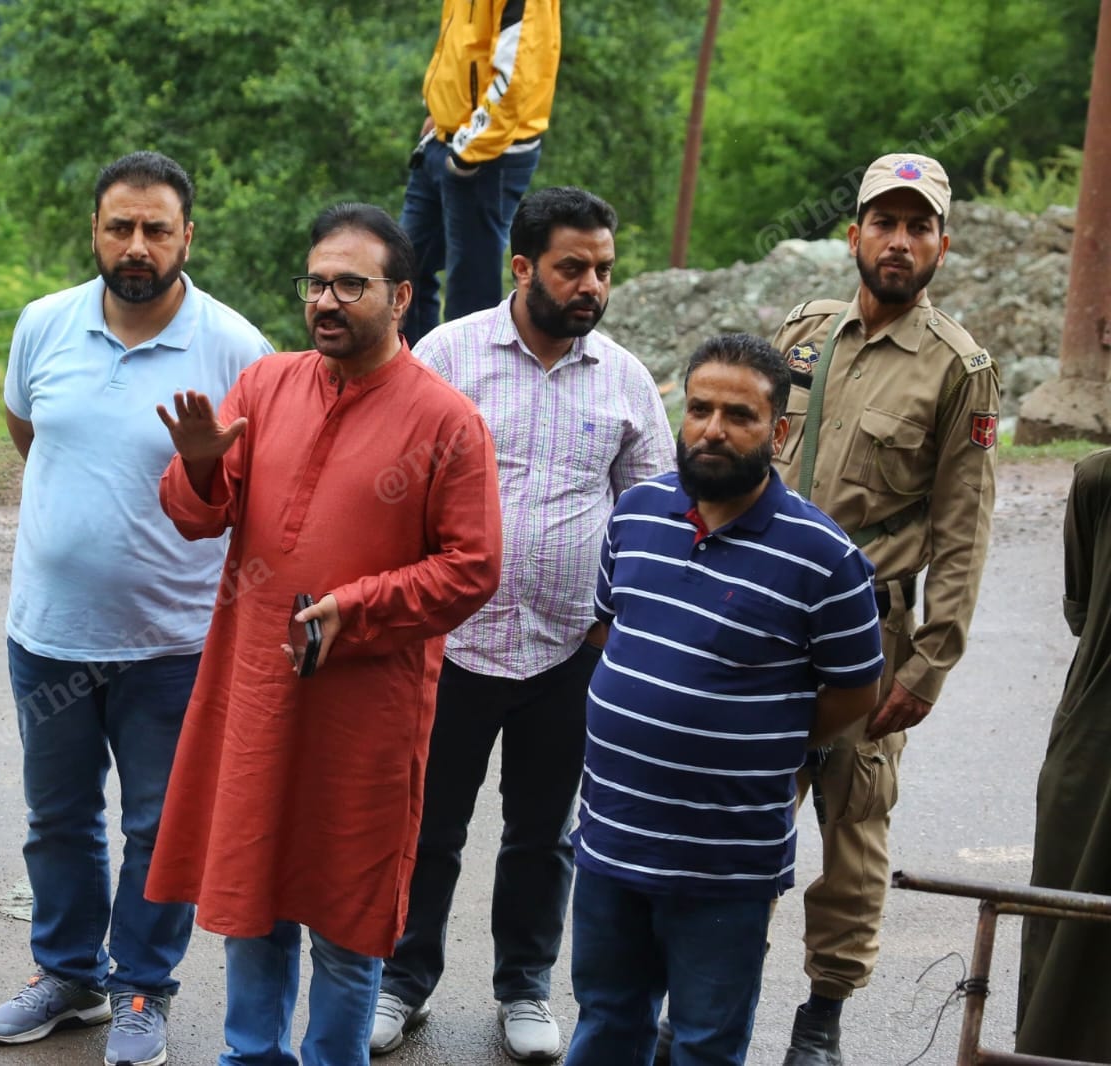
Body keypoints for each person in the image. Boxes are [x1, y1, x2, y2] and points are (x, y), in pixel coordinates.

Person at [146, 202, 503, 1065]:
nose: (327, 301)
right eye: (315, 284)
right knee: (252, 903)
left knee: (347, 919)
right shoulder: (266, 386)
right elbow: (196, 515)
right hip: (256, 694)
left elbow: (473, 567)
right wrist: (199, 461)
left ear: (402, 297)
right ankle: (250, 1055)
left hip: (364, 716)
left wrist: (361, 607)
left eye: (350, 284)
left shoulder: (447, 420)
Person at [0, 151, 271, 1066]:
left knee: (159, 827)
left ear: (188, 236)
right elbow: (31, 433)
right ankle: (67, 977)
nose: (136, 245)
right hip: (49, 634)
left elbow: (250, 490)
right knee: (58, 819)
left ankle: (142, 986)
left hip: (174, 645)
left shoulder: (237, 349)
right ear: (96, 232)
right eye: (120, 227)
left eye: (156, 229)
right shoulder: (43, 324)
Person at [371, 186, 673, 1061]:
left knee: (543, 836)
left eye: (604, 270)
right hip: (451, 648)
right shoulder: (447, 355)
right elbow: (395, 488)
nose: (592, 286)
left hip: (570, 652)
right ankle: (401, 980)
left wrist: (611, 625)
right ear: (521, 267)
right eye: (572, 268)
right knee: (426, 826)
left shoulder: (623, 379)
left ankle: (525, 990)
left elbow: (651, 515)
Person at [566, 333, 883, 1066]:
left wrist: (760, 735)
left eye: (739, 415)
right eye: (700, 408)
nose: (712, 429)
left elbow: (854, 692)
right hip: (613, 840)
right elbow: (608, 630)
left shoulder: (825, 559)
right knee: (606, 1022)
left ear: (779, 432)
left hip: (724, 864)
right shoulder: (636, 514)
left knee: (705, 1043)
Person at [766, 153, 1001, 1064]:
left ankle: (822, 1017)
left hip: (868, 634)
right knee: (741, 809)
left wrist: (930, 663)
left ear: (943, 244)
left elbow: (965, 528)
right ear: (854, 233)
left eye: (918, 226)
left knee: (854, 824)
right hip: (766, 625)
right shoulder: (803, 335)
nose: (899, 241)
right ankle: (706, 987)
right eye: (884, 222)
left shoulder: (958, 369)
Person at [1016, 447, 1111, 1060]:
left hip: (1093, 741)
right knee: (1069, 927)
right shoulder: (1099, 480)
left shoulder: (1099, 480)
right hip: (1095, 746)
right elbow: (1084, 609)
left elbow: (1082, 609)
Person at [400, 0, 560, 347]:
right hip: (446, 140)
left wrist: (468, 152)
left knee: (470, 297)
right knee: (401, 270)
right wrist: (440, 114)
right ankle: (416, 371)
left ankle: (465, 380)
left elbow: (517, 74)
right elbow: (462, 48)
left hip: (487, 155)